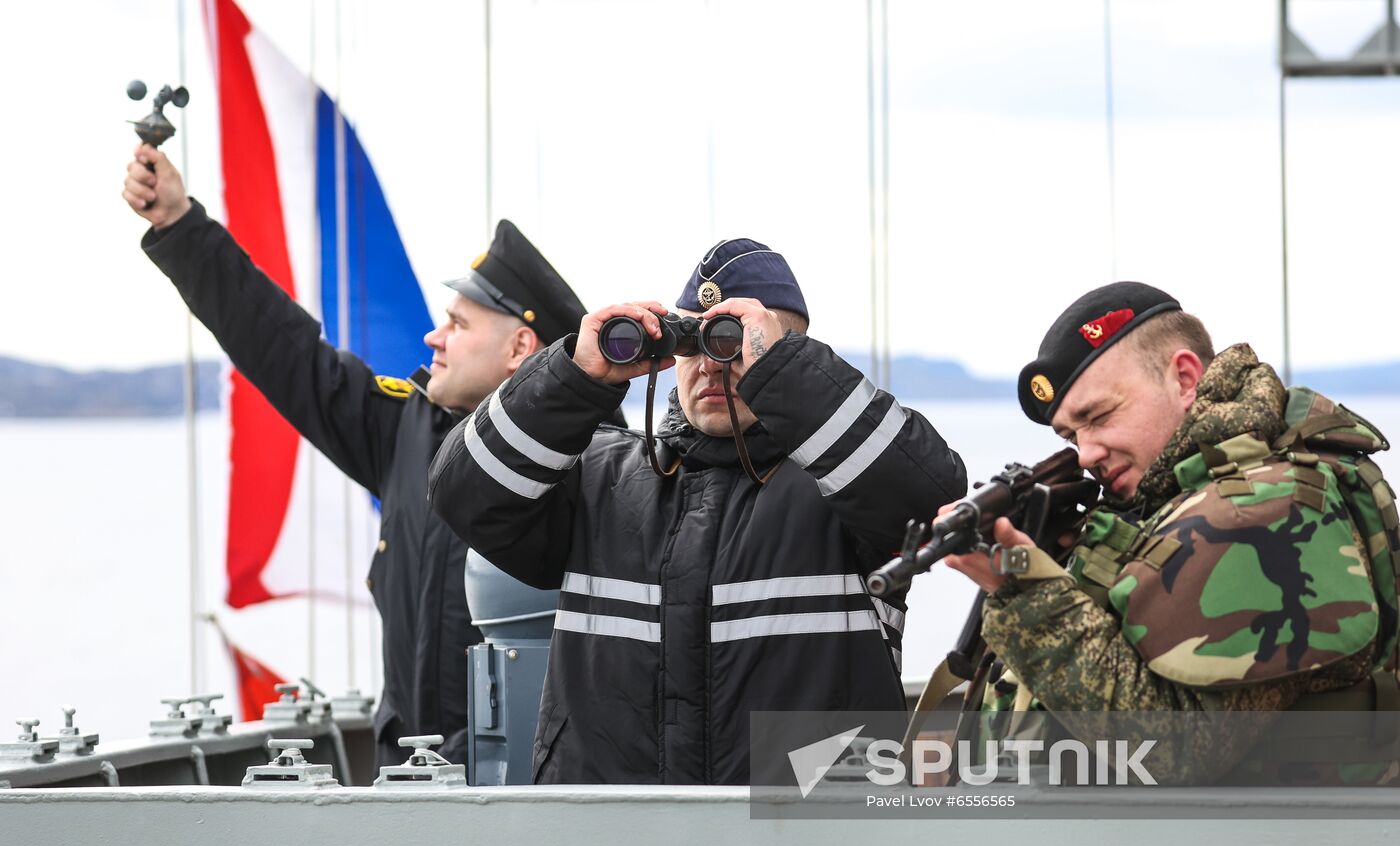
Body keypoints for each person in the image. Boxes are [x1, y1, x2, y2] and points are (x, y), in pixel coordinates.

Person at [428, 238, 968, 784]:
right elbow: (461, 494)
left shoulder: (842, 490)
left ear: (785, 352)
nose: (710, 364)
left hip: (798, 826)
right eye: (693, 341)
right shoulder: (598, 477)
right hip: (613, 826)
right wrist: (572, 376)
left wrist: (784, 373)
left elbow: (930, 497)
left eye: (732, 343)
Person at [123, 143, 590, 768]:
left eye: (458, 324)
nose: (434, 337)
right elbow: (283, 350)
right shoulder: (406, 431)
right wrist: (181, 227)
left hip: (525, 790)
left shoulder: (593, 463)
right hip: (406, 782)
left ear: (519, 348)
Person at [943, 280, 1397, 779]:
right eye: (1072, 435)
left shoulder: (1265, 506)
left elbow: (1175, 750)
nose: (1086, 453)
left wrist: (1025, 593)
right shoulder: (1171, 493)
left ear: (1184, 378)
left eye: (1099, 416)